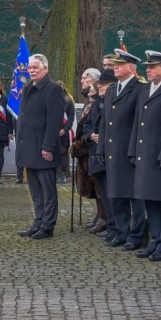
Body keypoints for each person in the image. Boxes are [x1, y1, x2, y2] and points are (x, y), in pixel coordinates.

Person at [128, 51, 161, 262]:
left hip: (160, 157)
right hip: (145, 155)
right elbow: (138, 123)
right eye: (147, 67)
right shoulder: (146, 89)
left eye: (152, 67)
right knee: (150, 200)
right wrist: (133, 150)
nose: (148, 70)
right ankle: (155, 240)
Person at [96, 49, 148, 250]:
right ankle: (121, 231)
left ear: (131, 67)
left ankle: (136, 235)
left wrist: (134, 150)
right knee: (116, 193)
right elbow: (105, 124)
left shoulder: (140, 88)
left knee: (135, 196)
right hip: (112, 150)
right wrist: (101, 148)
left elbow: (139, 123)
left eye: (120, 64)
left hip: (130, 150)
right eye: (115, 64)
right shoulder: (111, 90)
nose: (115, 67)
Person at [15, 54, 66, 239]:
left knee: (48, 191)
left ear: (45, 68)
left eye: (35, 67)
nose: (31, 70)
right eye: (29, 67)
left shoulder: (53, 89)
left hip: (43, 150)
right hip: (29, 147)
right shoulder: (29, 88)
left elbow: (54, 121)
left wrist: (47, 147)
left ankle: (47, 226)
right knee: (36, 192)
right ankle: (38, 222)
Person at [83, 69, 118, 240]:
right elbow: (87, 124)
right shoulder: (97, 103)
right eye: (100, 85)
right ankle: (110, 225)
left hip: (109, 153)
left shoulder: (113, 102)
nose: (100, 87)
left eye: (104, 85)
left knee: (112, 195)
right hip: (96, 153)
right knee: (103, 193)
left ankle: (115, 226)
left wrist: (101, 137)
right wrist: (91, 135)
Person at [73, 68, 102, 229]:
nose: (82, 81)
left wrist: (80, 144)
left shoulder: (96, 101)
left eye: (86, 78)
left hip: (91, 149)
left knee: (98, 187)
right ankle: (100, 215)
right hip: (85, 151)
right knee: (92, 186)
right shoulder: (88, 100)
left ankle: (104, 217)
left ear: (94, 81)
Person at [57, 80, 75, 184]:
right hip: (54, 131)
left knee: (63, 152)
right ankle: (55, 174)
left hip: (64, 130)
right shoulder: (52, 99)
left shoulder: (68, 100)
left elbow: (71, 117)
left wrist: (65, 129)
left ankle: (63, 174)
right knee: (54, 153)